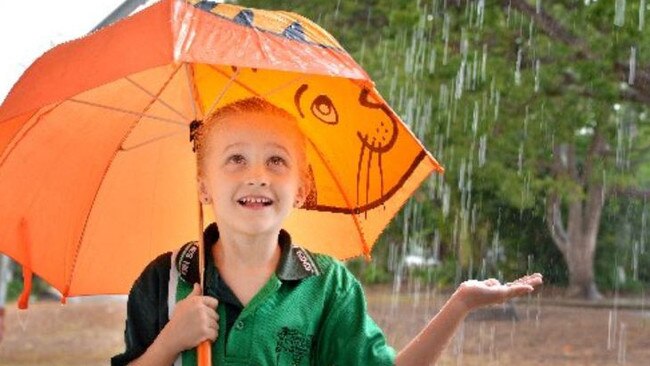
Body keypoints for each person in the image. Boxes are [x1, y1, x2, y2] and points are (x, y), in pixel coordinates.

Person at [111, 97, 543, 366]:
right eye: (235, 159)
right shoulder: (165, 281)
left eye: (277, 161)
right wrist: (170, 342)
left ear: (301, 190)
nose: (258, 176)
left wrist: (460, 304)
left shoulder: (329, 287)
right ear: (204, 185)